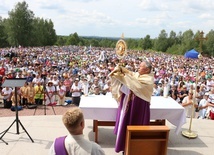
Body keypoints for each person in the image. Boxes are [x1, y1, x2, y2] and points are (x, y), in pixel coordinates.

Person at [109, 60, 154, 153]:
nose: (138, 67)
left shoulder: (148, 79)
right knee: (125, 123)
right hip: (129, 104)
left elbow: (134, 83)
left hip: (138, 106)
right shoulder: (138, 75)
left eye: (140, 66)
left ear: (146, 70)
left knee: (136, 123)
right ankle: (124, 146)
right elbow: (132, 75)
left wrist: (121, 76)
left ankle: (136, 147)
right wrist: (122, 69)